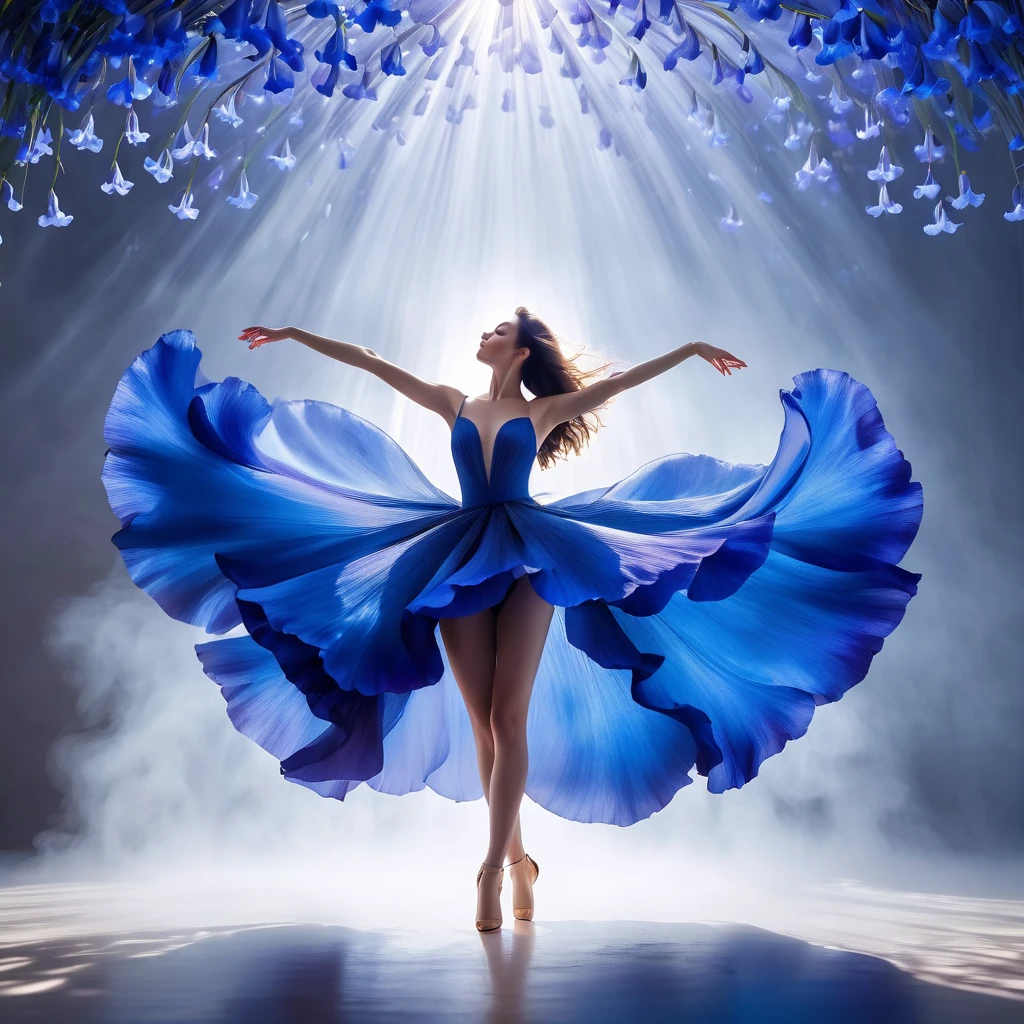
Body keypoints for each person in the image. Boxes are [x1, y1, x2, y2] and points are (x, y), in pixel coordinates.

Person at [102, 308, 923, 933]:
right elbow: (374, 363)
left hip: (533, 550)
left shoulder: (543, 412)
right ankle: (525, 858)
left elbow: (619, 386)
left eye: (498, 329)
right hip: (454, 553)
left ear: (520, 351)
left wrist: (692, 351)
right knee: (485, 726)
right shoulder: (455, 400)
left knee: (507, 713)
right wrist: (295, 335)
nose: (484, 334)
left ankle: (490, 869)